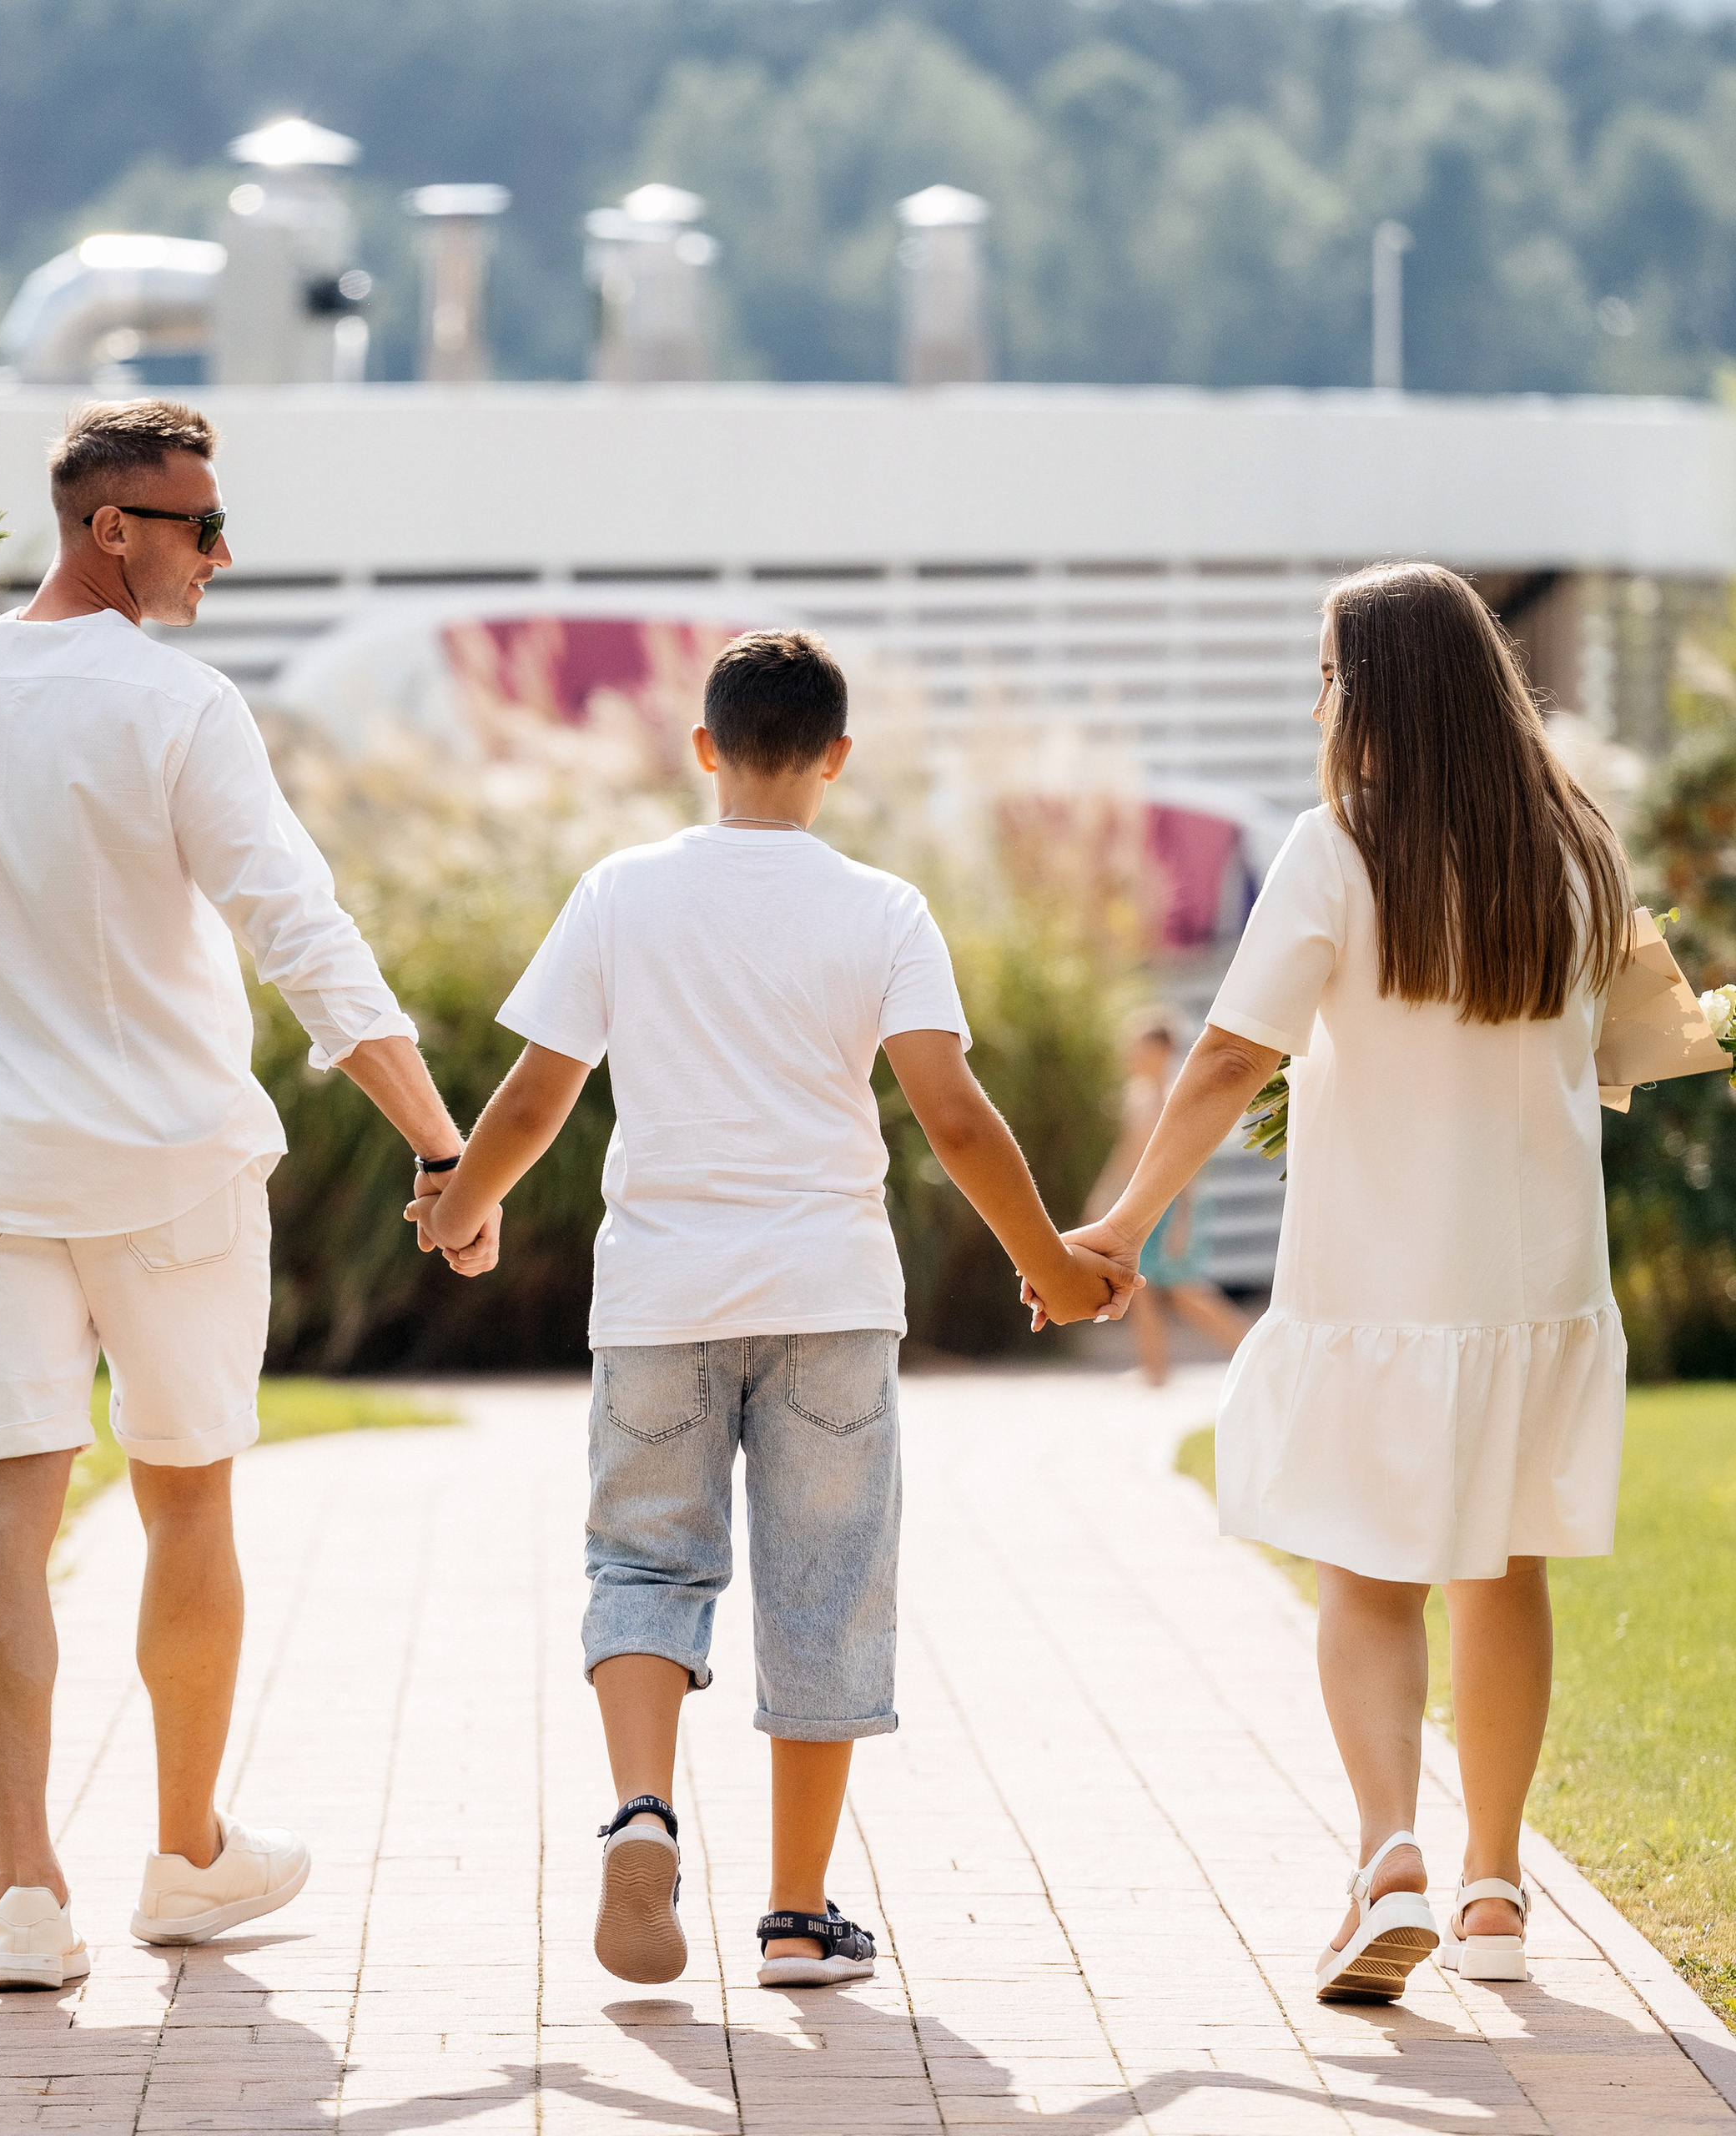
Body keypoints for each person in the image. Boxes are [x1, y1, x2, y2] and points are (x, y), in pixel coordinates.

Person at [0, 399, 497, 1994]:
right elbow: (300, 929)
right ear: (109, 530)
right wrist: (442, 1148)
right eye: (201, 525)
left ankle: (25, 1897)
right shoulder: (177, 705)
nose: (223, 552)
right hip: (175, 1168)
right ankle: (188, 1857)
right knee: (187, 1493)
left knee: (4, 1509)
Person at [411, 630, 1135, 1991]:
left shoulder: (621, 892)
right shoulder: (883, 908)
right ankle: (799, 1919)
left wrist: (458, 1208)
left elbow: (532, 1100)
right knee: (825, 1596)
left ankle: (640, 1809)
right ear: (837, 761)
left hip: (658, 1298)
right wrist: (1047, 1261)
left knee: (642, 1564)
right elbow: (956, 1120)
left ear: (704, 750)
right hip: (829, 1297)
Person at [1058, 562, 1631, 2002]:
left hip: (1381, 1282)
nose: (1316, 700)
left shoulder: (1339, 848)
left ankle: (1389, 1858)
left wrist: (1122, 1225)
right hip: (1537, 1286)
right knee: (1504, 1572)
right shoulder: (1576, 849)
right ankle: (1495, 1889)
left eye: (1326, 672)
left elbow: (1234, 1055)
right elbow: (1622, 1049)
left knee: (1365, 1572)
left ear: (1365, 693)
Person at [1081, 1005, 1251, 1384]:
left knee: (1185, 1290)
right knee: (1137, 1284)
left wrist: (1183, 1223)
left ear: (1159, 1051)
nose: (1131, 1055)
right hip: (1144, 1204)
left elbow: (1192, 1167)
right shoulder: (1136, 1099)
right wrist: (1100, 1199)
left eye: (1138, 1047)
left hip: (1177, 1205)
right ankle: (1154, 1371)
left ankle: (1253, 1354)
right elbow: (1124, 1159)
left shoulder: (1177, 1098)